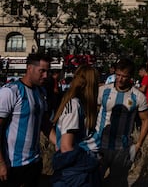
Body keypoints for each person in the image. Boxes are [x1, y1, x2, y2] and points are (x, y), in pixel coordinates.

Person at [0, 53, 55, 186]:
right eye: (42, 71)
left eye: (48, 71)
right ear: (29, 68)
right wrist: (1, 163)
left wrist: (60, 145)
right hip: (12, 164)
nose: (45, 76)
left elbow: (45, 124)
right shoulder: (10, 91)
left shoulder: (41, 92)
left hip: (34, 162)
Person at [96, 58, 148, 187]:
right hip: (99, 145)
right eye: (118, 75)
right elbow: (96, 111)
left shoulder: (138, 96)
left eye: (124, 76)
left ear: (130, 77)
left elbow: (145, 120)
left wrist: (138, 145)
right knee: (93, 180)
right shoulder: (103, 90)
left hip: (122, 148)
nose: (119, 79)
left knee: (117, 182)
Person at [51, 65, 101, 186]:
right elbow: (66, 146)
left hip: (79, 169)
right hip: (75, 172)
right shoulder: (73, 105)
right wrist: (90, 162)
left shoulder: (79, 104)